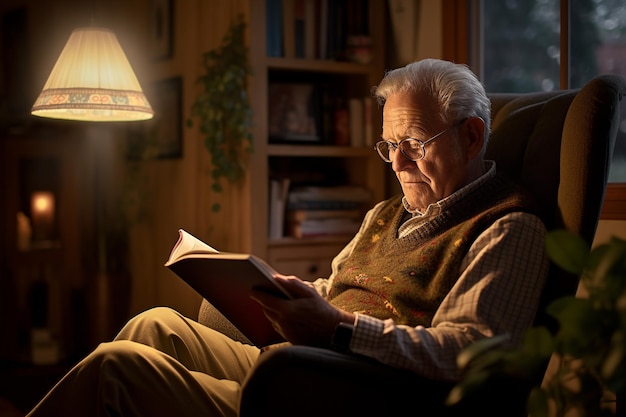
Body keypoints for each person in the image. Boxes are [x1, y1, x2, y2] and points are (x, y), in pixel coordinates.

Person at [26, 58, 548, 417]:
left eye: (413, 142)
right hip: (308, 361)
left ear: (472, 135)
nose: (397, 161)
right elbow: (339, 287)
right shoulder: (388, 212)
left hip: (357, 394)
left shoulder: (507, 226)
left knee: (118, 368)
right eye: (387, 145)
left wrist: (339, 330)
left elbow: (472, 352)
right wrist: (278, 291)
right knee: (154, 325)